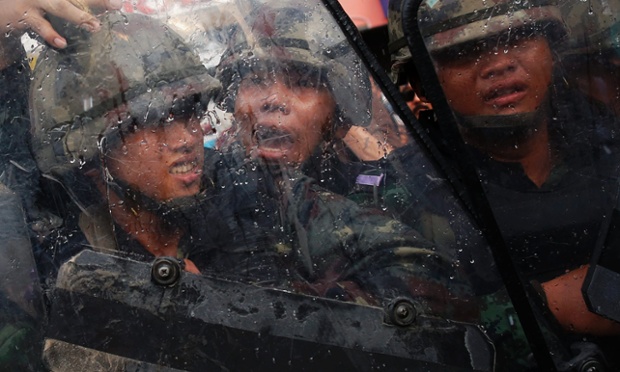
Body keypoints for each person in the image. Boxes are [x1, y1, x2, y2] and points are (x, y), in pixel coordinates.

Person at [389, 0, 620, 368]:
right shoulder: (399, 194)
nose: (499, 64)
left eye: (519, 37)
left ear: (552, 50)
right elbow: (409, 335)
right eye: (463, 51)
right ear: (422, 82)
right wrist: (546, 305)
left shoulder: (607, 150)